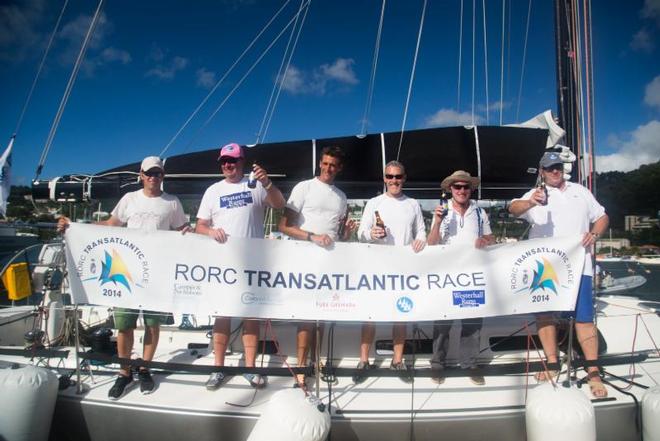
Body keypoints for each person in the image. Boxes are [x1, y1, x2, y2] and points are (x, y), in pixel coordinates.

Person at [57, 156, 189, 400]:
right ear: (141, 174)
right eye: (149, 173)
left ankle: (145, 368)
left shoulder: (172, 202)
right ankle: (125, 371)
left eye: (158, 173)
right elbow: (110, 224)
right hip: (127, 271)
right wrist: (75, 226)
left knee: (152, 324)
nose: (153, 177)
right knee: (124, 325)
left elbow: (182, 231)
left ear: (163, 176)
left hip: (158, 274)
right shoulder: (129, 199)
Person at [509, 151, 609, 398]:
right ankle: (553, 363)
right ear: (541, 172)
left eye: (558, 167)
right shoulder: (536, 195)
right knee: (545, 316)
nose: (555, 171)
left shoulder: (580, 191)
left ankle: (593, 371)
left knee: (584, 319)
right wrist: (532, 202)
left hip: (580, 265)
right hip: (546, 268)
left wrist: (595, 234)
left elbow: (602, 217)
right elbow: (513, 208)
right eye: (550, 168)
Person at [196, 142, 286, 391]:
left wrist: (267, 182)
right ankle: (218, 367)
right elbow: (199, 226)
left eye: (233, 161)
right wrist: (211, 231)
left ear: (242, 162)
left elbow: (279, 204)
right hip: (223, 265)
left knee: (250, 317)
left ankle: (249, 367)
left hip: (253, 263)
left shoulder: (255, 186)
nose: (228, 165)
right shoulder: (213, 190)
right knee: (222, 315)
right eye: (224, 161)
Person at [278, 146, 355, 387]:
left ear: (339, 168)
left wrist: (347, 233)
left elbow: (338, 237)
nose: (328, 168)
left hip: (328, 262)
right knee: (306, 316)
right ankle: (301, 367)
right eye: (325, 163)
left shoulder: (342, 197)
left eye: (333, 164)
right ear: (319, 164)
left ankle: (317, 362)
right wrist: (313, 237)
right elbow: (284, 226)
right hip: (303, 259)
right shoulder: (304, 187)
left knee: (323, 315)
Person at [353, 160, 426, 384]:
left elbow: (421, 231)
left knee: (400, 316)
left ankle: (397, 361)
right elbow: (360, 233)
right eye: (390, 176)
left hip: (403, 269)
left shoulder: (413, 203)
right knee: (370, 316)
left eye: (398, 176)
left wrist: (420, 240)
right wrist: (371, 234)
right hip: (376, 268)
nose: (394, 180)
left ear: (404, 178)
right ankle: (364, 361)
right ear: (384, 178)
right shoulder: (374, 203)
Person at [427, 170, 494, 386]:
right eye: (457, 187)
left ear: (471, 189)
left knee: (472, 322)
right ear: (450, 190)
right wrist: (437, 222)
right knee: (443, 322)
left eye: (466, 186)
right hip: (447, 275)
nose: (462, 190)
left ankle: (470, 363)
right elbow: (431, 244)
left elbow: (491, 237)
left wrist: (485, 239)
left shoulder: (479, 213)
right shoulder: (441, 211)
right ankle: (438, 364)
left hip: (473, 275)